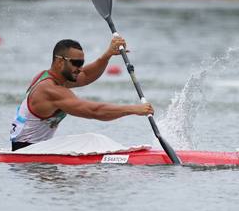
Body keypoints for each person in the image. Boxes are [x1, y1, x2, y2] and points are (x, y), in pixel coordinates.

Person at [10, 38, 154, 151]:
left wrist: (107, 55)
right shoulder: (49, 90)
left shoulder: (50, 77)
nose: (80, 68)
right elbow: (94, 111)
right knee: (92, 139)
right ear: (60, 61)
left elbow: (86, 75)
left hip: (34, 147)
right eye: (76, 63)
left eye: (82, 63)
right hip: (28, 150)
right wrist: (134, 109)